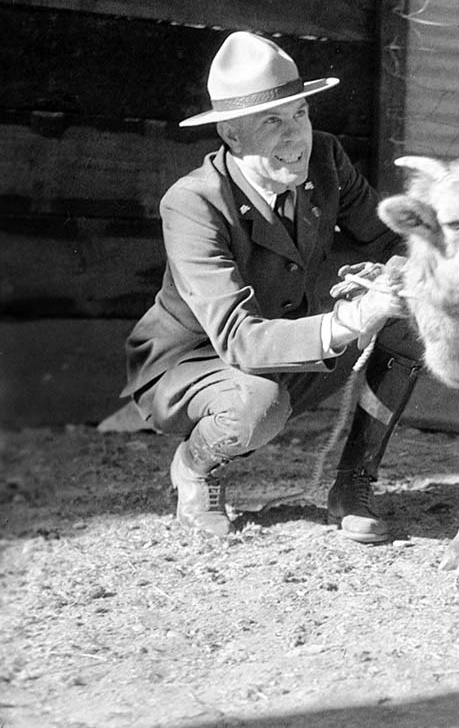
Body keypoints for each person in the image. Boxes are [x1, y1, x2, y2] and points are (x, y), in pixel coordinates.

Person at [121, 31, 423, 543]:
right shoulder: (192, 203)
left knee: (412, 320)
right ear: (232, 137)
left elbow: (389, 238)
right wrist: (353, 317)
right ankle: (195, 467)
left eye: (300, 115)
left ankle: (353, 484)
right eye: (272, 122)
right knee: (255, 407)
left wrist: (393, 275)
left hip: (284, 346)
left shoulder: (325, 159)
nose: (295, 137)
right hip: (192, 365)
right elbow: (237, 339)